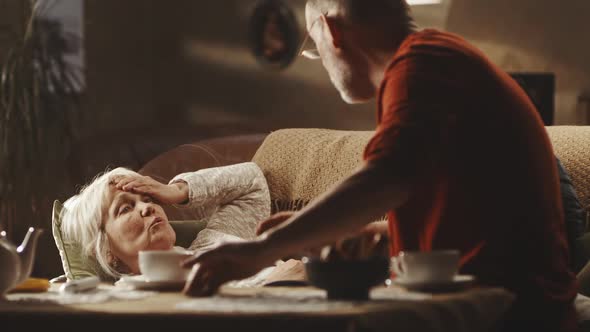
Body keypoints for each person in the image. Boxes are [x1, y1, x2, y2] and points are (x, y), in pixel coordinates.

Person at [181, 1, 579, 331]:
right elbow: (472, 214)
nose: (322, 61)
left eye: (314, 48)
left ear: (330, 31)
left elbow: (385, 177)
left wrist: (262, 251)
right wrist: (358, 233)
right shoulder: (438, 62)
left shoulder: (421, 64)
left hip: (510, 315)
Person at [61, 162, 304, 283]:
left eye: (148, 198)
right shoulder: (132, 302)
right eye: (126, 208)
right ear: (106, 251)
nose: (148, 207)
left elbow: (252, 182)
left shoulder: (213, 240)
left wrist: (177, 190)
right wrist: (276, 284)